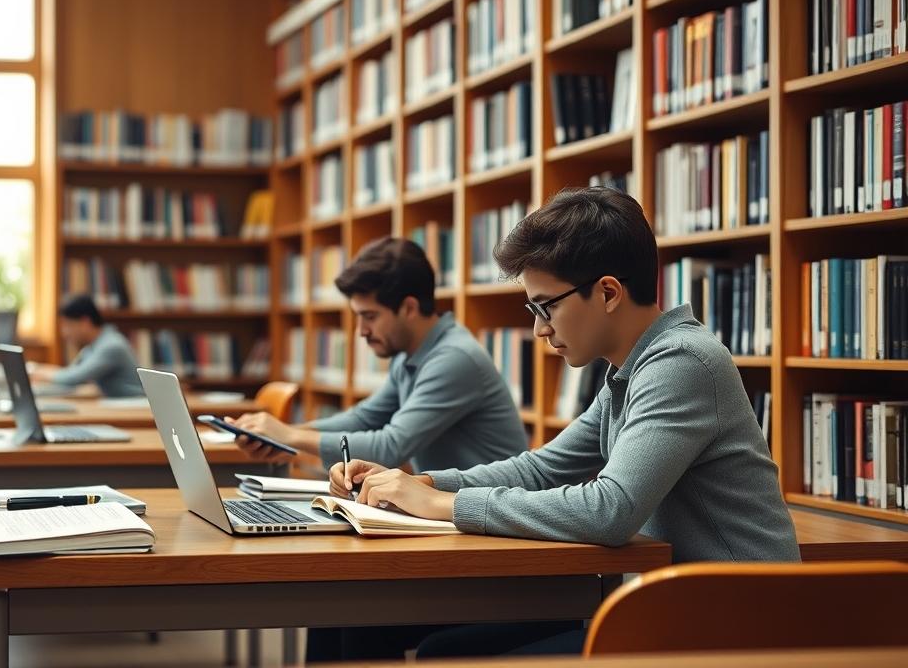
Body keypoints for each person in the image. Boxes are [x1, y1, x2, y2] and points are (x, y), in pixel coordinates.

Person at [325, 188, 799, 659]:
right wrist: (420, 482)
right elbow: (543, 469)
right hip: (678, 608)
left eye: (546, 306)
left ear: (608, 292)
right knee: (442, 649)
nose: (539, 330)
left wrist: (443, 503)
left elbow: (610, 510)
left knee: (450, 655)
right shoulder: (629, 369)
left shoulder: (682, 363)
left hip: (738, 625)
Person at [229, 237, 527, 475]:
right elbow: (365, 418)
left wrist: (292, 437)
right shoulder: (410, 353)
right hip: (450, 509)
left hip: (487, 520)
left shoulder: (455, 358)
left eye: (369, 316)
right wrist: (282, 435)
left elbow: (390, 447)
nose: (360, 331)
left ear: (409, 308)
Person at [31, 294, 145, 398]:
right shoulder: (93, 346)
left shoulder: (111, 346)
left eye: (68, 325)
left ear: (85, 322)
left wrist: (37, 372)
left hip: (132, 406)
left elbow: (73, 378)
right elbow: (70, 372)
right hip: (115, 405)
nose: (64, 333)